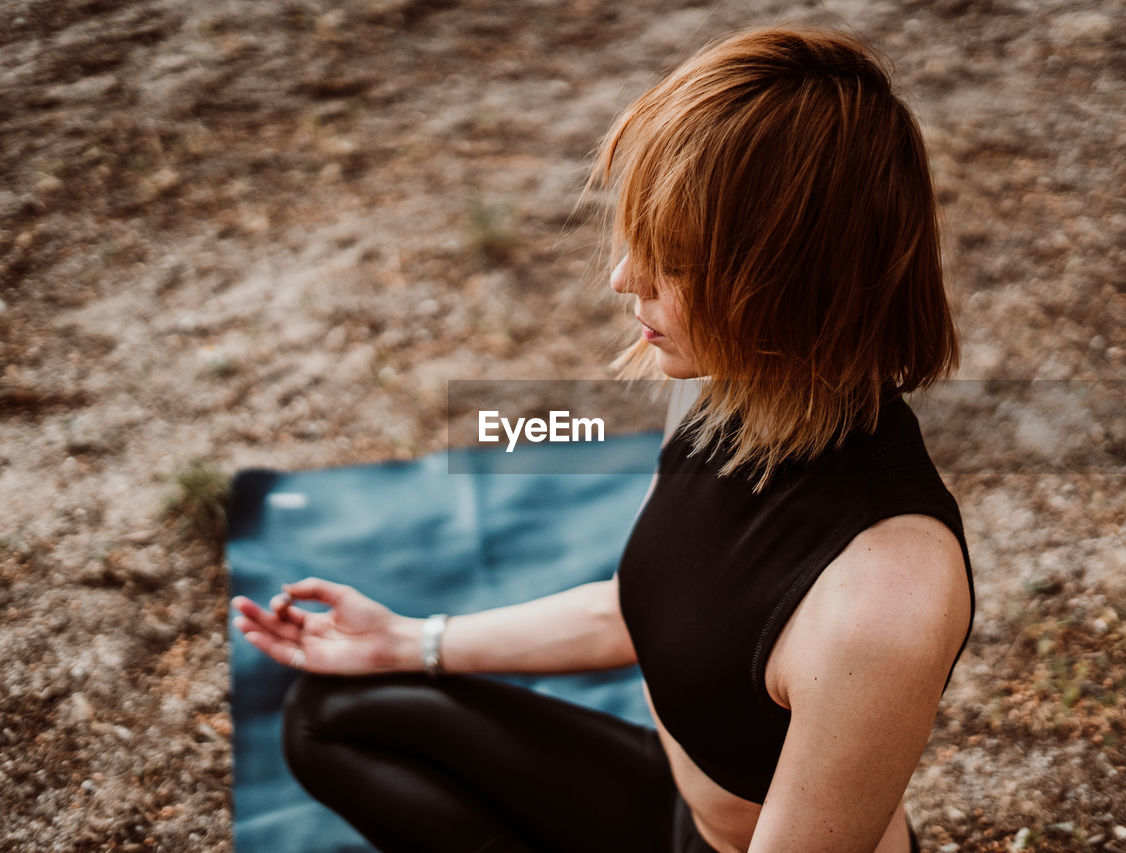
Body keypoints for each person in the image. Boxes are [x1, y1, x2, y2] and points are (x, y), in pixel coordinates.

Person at [232, 25, 975, 853]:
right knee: (333, 716)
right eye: (641, 238)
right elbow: (652, 604)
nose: (626, 278)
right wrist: (410, 639)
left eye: (677, 260)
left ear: (792, 281)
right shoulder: (720, 385)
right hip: (669, 808)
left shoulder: (883, 604)